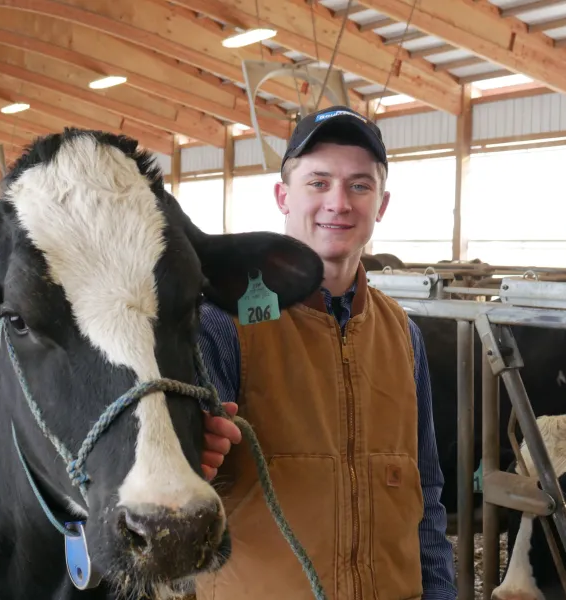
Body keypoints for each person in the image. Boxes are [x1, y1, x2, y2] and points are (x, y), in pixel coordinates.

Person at [195, 106, 457, 600]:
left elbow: (427, 494)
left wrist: (441, 592)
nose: (339, 203)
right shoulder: (222, 323)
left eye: (360, 185)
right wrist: (194, 455)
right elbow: (185, 481)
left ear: (381, 204)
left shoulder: (403, 333)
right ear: (283, 197)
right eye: (318, 182)